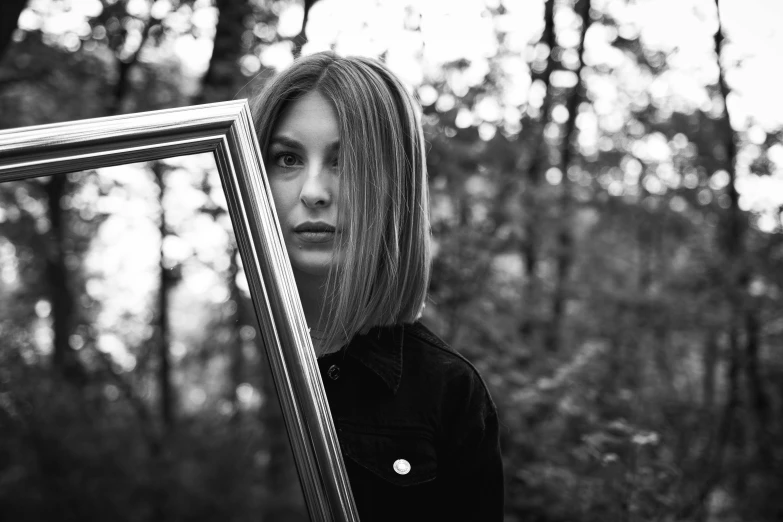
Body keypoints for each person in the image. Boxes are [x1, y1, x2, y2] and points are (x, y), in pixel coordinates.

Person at [249, 51, 503, 521]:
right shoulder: (214, 371)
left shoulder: (448, 391)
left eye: (345, 162)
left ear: (394, 186)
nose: (312, 191)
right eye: (287, 158)